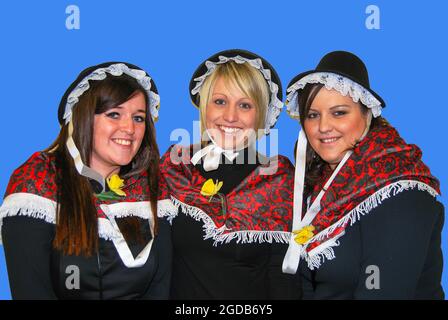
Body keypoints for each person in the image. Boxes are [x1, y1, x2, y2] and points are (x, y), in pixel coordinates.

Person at [0, 62, 171, 299]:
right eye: (114, 114)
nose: (129, 128)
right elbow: (31, 290)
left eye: (139, 118)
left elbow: (160, 288)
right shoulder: (39, 181)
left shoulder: (150, 187)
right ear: (82, 117)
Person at [282, 51, 444, 299]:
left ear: (367, 114)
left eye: (339, 113)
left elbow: (382, 292)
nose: (323, 127)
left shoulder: (399, 187)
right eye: (313, 115)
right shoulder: (322, 185)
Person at [158, 49, 300, 299]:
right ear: (204, 106)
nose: (230, 116)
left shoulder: (277, 178)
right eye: (220, 101)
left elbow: (282, 277)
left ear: (262, 114)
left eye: (244, 105)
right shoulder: (175, 168)